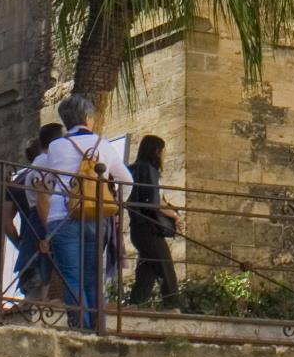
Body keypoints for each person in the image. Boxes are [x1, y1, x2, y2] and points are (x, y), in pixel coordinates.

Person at [30, 95, 130, 331]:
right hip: (98, 215)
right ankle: (98, 327)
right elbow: (127, 180)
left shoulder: (56, 146)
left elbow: (50, 179)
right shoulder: (103, 145)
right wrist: (116, 207)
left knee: (71, 276)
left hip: (62, 216)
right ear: (88, 118)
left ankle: (81, 327)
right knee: (93, 277)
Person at [7, 123, 66, 303]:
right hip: (42, 223)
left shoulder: (36, 166)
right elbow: (42, 200)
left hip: (35, 225)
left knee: (37, 288)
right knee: (39, 285)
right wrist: (51, 234)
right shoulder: (45, 164)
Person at [126, 135, 182, 309]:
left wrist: (173, 212)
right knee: (166, 269)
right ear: (157, 151)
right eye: (163, 151)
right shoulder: (149, 170)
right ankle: (173, 306)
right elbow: (155, 203)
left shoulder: (133, 169)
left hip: (138, 228)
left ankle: (136, 303)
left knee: (147, 268)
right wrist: (176, 217)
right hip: (149, 228)